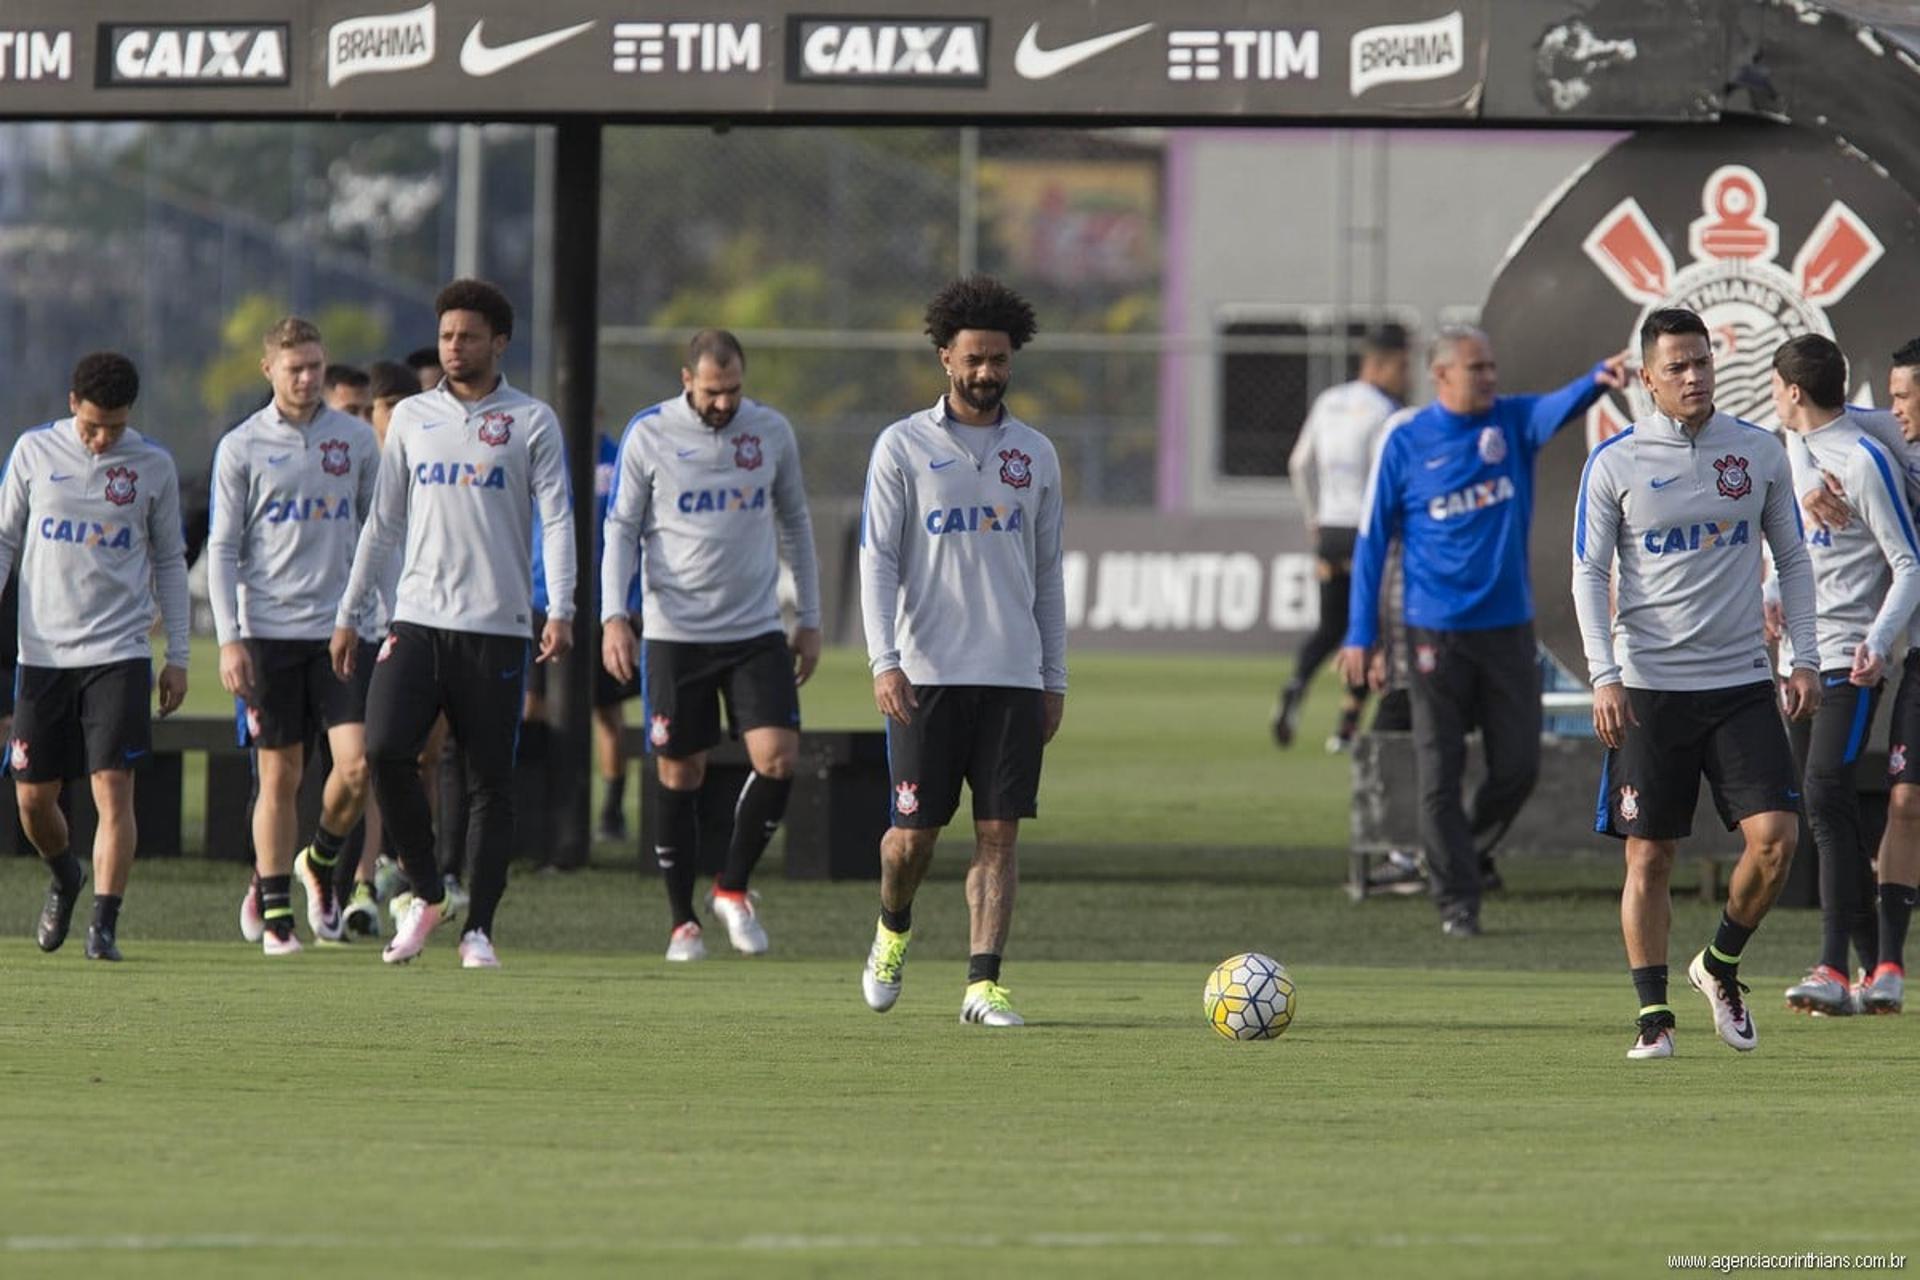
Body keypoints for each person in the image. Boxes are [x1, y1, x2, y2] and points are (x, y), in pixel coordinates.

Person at [1572, 307, 1822, 1061]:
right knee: (1650, 857)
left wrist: (1802, 656)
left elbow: (1795, 560)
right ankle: (1654, 1018)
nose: (1693, 376)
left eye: (1702, 362)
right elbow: (1588, 571)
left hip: (1742, 680)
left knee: (1777, 842)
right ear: (1646, 378)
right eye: (1676, 366)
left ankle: (1719, 965)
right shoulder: (1615, 463)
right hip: (1649, 687)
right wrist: (1603, 675)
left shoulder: (1757, 452)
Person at [1337, 326, 1628, 935]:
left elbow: (1563, 402)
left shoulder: (1513, 424)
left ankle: (1455, 855)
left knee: (1518, 765)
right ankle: (1457, 900)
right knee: (1438, 770)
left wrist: (1601, 374)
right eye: (1478, 369)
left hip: (1506, 631)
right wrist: (1360, 633)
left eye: (1493, 366)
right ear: (1441, 375)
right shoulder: (1407, 440)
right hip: (1432, 635)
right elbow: (1370, 544)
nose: (1491, 378)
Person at [332, 279, 574, 969]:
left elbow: (557, 519)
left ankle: (480, 932)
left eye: (468, 336)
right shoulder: (410, 418)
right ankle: (429, 891)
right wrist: (351, 613)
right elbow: (383, 521)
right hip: (417, 619)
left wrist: (562, 607)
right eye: (446, 336)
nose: (454, 347)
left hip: (497, 627)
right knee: (383, 750)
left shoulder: (531, 421)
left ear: (499, 342)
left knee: (488, 781)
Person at [856, 275, 1067, 1028]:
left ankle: (983, 984)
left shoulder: (1035, 454)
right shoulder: (903, 446)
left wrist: (1053, 676)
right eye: (974, 358)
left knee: (999, 833)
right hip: (928, 675)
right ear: (946, 357)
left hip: (1011, 674)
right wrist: (885, 659)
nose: (987, 372)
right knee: (910, 841)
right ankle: (892, 926)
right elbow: (877, 559)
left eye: (999, 360)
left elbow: (1047, 571)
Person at [602, 331, 823, 959]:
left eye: (733, 391)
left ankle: (731, 887)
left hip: (754, 629)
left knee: (779, 758)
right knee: (681, 769)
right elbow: (621, 529)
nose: (724, 403)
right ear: (686, 380)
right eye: (711, 392)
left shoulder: (771, 432)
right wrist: (615, 617)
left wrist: (808, 616)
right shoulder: (650, 435)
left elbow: (796, 522)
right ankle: (681, 922)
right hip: (676, 633)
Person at [0, 352, 190, 961]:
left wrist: (178, 654)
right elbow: (5, 538)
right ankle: (65, 874)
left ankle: (104, 925)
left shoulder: (152, 465)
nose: (102, 438)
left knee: (114, 787)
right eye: (91, 426)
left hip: (119, 650)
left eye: (113, 426)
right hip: (44, 653)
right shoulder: (34, 453)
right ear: (71, 404)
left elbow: (169, 563)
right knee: (33, 797)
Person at [210, 318, 381, 955]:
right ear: (269, 372)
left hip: (342, 630)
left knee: (359, 767)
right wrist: (230, 638)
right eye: (294, 369)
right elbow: (223, 549)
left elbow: (377, 534)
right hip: (268, 632)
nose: (307, 379)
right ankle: (277, 911)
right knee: (279, 775)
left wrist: (372, 615)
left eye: (314, 366)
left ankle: (321, 860)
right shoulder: (242, 446)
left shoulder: (357, 441)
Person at [1767, 335, 1920, 1015]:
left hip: (1856, 653)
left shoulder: (1867, 461)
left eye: (1904, 397)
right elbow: (1814, 430)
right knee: (1839, 802)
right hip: (1821, 657)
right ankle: (1870, 964)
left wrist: (1877, 640)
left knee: (1826, 794)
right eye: (1892, 397)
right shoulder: (1858, 441)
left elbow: (1907, 561)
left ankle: (1846, 963)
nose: (1896, 410)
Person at [1276, 325, 1409, 752]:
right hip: (1367, 532)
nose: (1405, 377)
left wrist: (1313, 516)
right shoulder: (1387, 411)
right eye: (1402, 367)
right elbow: (1383, 479)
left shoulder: (1328, 401)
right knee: (1374, 627)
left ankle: (1297, 684)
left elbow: (1299, 463)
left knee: (1330, 625)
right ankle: (1347, 727)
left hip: (1330, 530)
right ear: (1380, 364)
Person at [336, 359, 418, 938]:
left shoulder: (422, 462)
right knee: (304, 767)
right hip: (335, 631)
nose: (368, 422)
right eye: (357, 412)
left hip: (400, 630)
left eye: (375, 410)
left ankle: (375, 879)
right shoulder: (334, 463)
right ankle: (296, 877)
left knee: (383, 760)